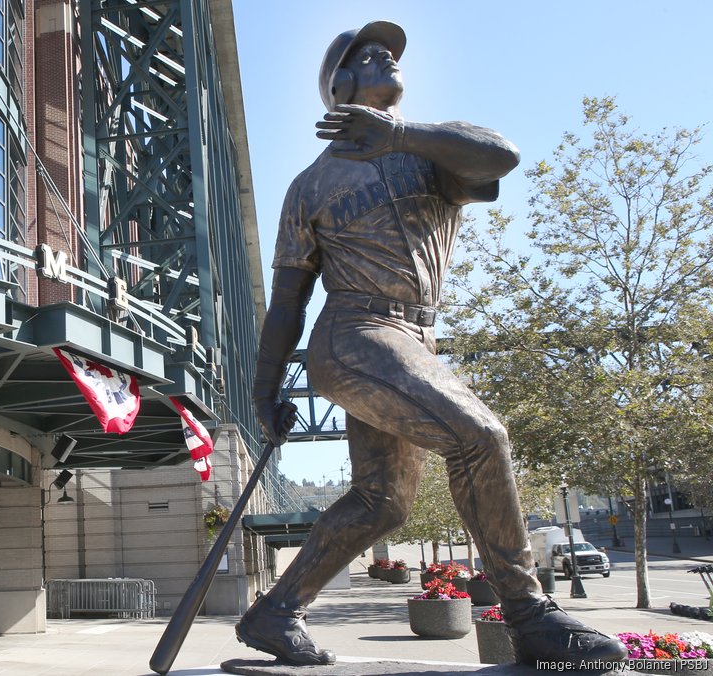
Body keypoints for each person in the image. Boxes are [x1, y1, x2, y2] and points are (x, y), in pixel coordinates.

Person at [236, 20, 628, 667]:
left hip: (414, 335)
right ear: (339, 86)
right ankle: (529, 613)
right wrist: (265, 385)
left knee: (382, 501)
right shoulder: (310, 184)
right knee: (481, 437)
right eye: (369, 55)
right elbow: (287, 300)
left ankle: (275, 614)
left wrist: (400, 135)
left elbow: (500, 155)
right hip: (353, 332)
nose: (387, 58)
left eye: (392, 54)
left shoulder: (430, 154)